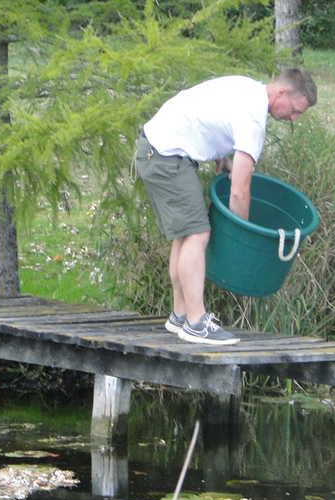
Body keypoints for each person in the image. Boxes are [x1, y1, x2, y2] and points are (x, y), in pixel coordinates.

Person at [135, 67, 317, 345]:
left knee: (186, 234)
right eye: (295, 110)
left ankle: (180, 315)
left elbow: (208, 115)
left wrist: (219, 157)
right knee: (198, 233)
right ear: (281, 92)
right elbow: (240, 192)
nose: (292, 118)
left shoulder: (249, 89)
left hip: (155, 149)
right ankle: (196, 323)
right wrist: (241, 238)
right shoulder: (254, 120)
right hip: (166, 157)